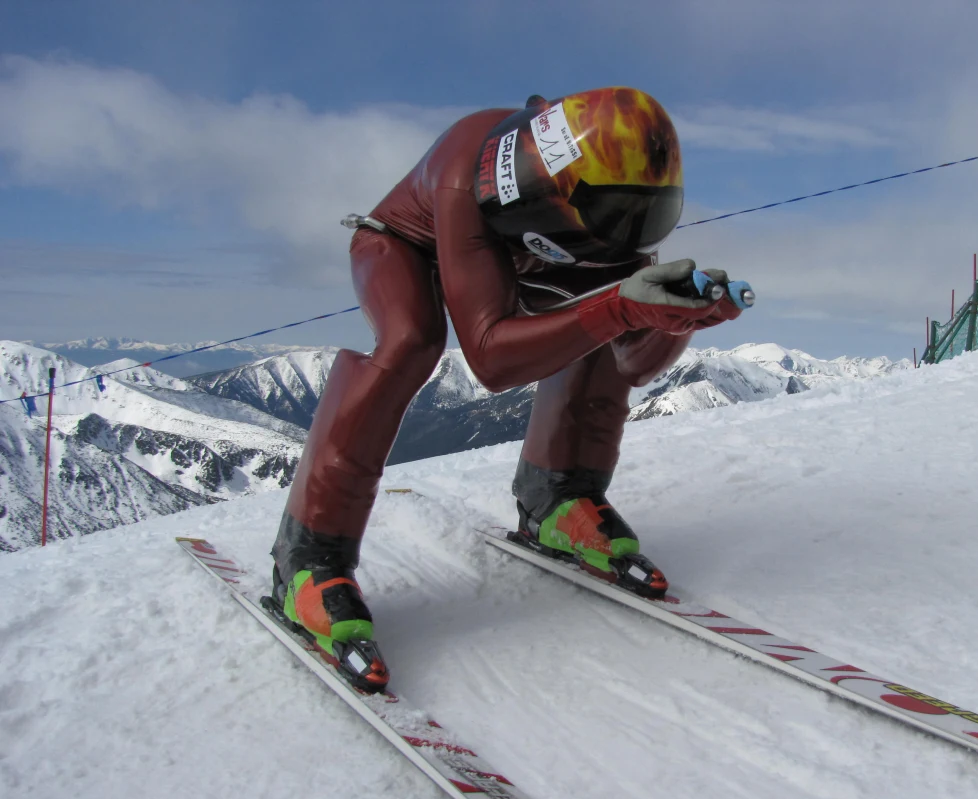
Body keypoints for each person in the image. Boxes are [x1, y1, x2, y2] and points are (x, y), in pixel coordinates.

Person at [269, 87, 751, 692]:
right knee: (411, 340)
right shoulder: (465, 172)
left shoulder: (601, 217)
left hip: (523, 253)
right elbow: (490, 358)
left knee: (596, 325)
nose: (631, 233)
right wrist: (620, 309)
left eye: (645, 215)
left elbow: (631, 363)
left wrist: (675, 321)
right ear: (554, 186)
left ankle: (558, 497)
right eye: (620, 212)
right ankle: (308, 557)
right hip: (404, 245)